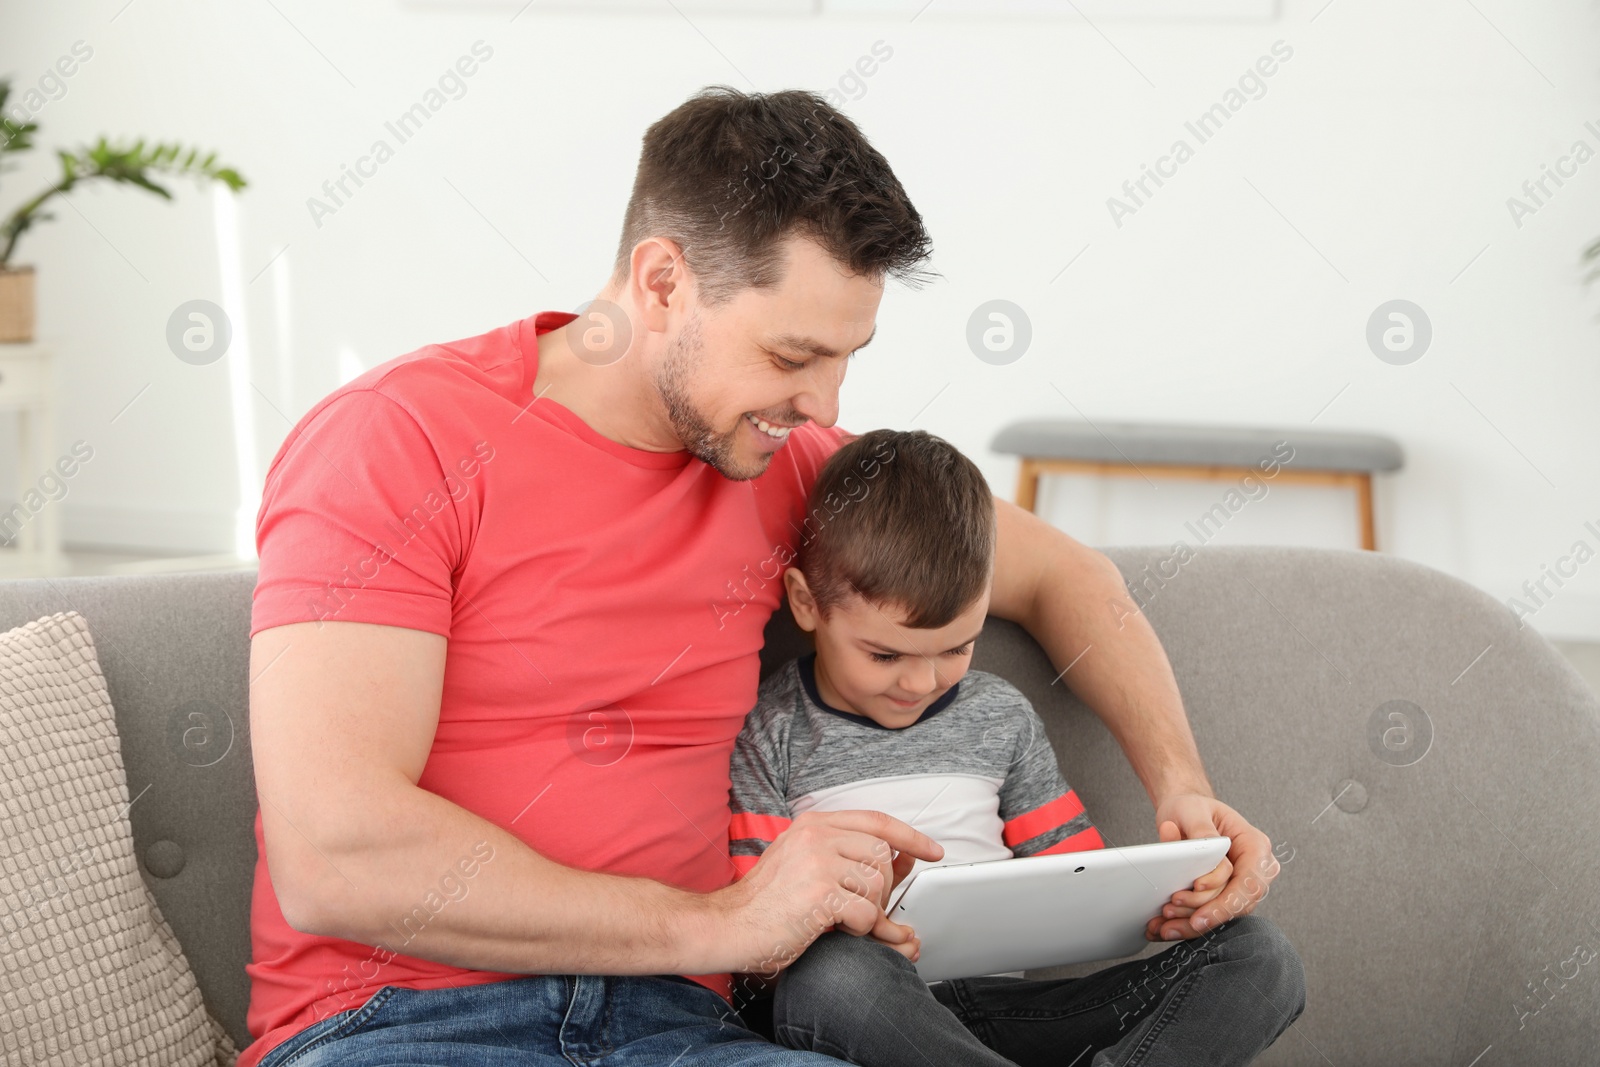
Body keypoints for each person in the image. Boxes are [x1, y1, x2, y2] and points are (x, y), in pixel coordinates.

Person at [244, 85, 1288, 1067]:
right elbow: (336, 853)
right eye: (792, 356)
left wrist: (1180, 785)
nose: (826, 403)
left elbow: (1071, 577)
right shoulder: (400, 441)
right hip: (400, 1024)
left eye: (847, 356)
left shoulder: (786, 468)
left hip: (678, 1028)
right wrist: (720, 919)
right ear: (662, 282)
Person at [728, 428, 1304, 1066]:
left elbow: (1074, 878)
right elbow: (756, 955)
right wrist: (838, 929)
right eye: (885, 654)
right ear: (807, 604)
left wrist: (1171, 892)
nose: (921, 682)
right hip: (869, 1014)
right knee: (833, 976)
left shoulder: (1000, 716)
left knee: (1260, 957)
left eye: (956, 648)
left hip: (1003, 1014)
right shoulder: (771, 731)